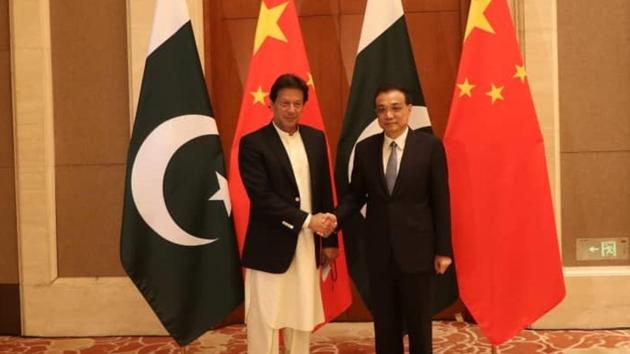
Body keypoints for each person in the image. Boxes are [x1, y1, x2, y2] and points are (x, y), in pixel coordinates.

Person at [334, 85, 452, 354]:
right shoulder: (365, 149)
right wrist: (334, 217)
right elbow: (355, 196)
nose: (389, 115)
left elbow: (440, 200)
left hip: (418, 251)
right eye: (382, 109)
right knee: (385, 324)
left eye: (396, 108)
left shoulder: (430, 147)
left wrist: (443, 250)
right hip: (379, 251)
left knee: (420, 323)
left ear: (409, 109)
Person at [239, 73, 338, 354]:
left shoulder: (316, 139)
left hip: (308, 244)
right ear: (271, 104)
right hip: (270, 244)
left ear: (304, 105)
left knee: (300, 314)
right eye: (285, 103)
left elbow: (323, 192)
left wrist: (330, 241)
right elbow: (261, 197)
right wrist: (308, 221)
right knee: (265, 317)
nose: (291, 110)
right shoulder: (253, 143)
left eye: (297, 104)